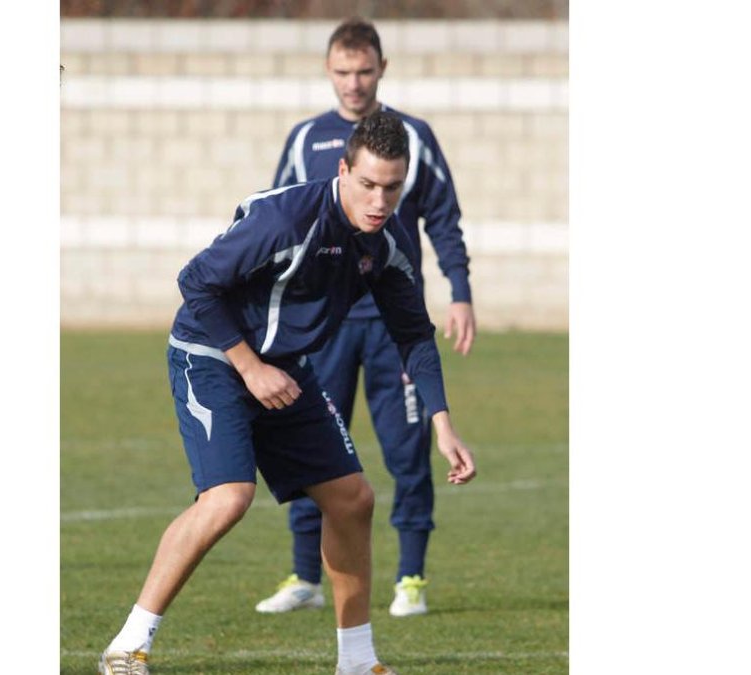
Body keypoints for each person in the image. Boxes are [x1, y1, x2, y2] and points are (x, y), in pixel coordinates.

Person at [97, 112, 477, 675]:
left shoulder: (388, 241)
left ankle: (357, 662)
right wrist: (250, 368)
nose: (379, 200)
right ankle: (127, 645)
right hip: (211, 356)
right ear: (343, 170)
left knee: (353, 500)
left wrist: (443, 423)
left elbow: (415, 335)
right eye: (368, 184)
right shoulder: (285, 219)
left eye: (393, 188)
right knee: (228, 497)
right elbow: (195, 282)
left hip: (284, 371)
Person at [256, 17, 475, 619]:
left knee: (406, 450)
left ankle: (411, 577)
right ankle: (304, 575)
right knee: (312, 447)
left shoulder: (416, 137)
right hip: (320, 326)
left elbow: (445, 218)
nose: (354, 84)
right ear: (329, 72)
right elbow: (278, 218)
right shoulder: (307, 140)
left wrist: (459, 292)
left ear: (382, 70)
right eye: (343, 72)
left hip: (389, 323)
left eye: (364, 71)